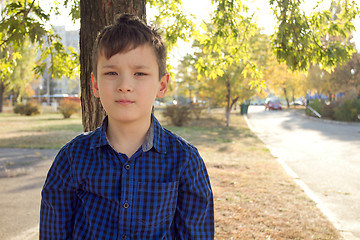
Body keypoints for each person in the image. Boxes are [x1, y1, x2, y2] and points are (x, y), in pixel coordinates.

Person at [40, 14, 214, 239]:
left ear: (162, 85)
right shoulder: (72, 158)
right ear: (95, 84)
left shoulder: (185, 161)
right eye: (111, 73)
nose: (124, 86)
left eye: (139, 73)